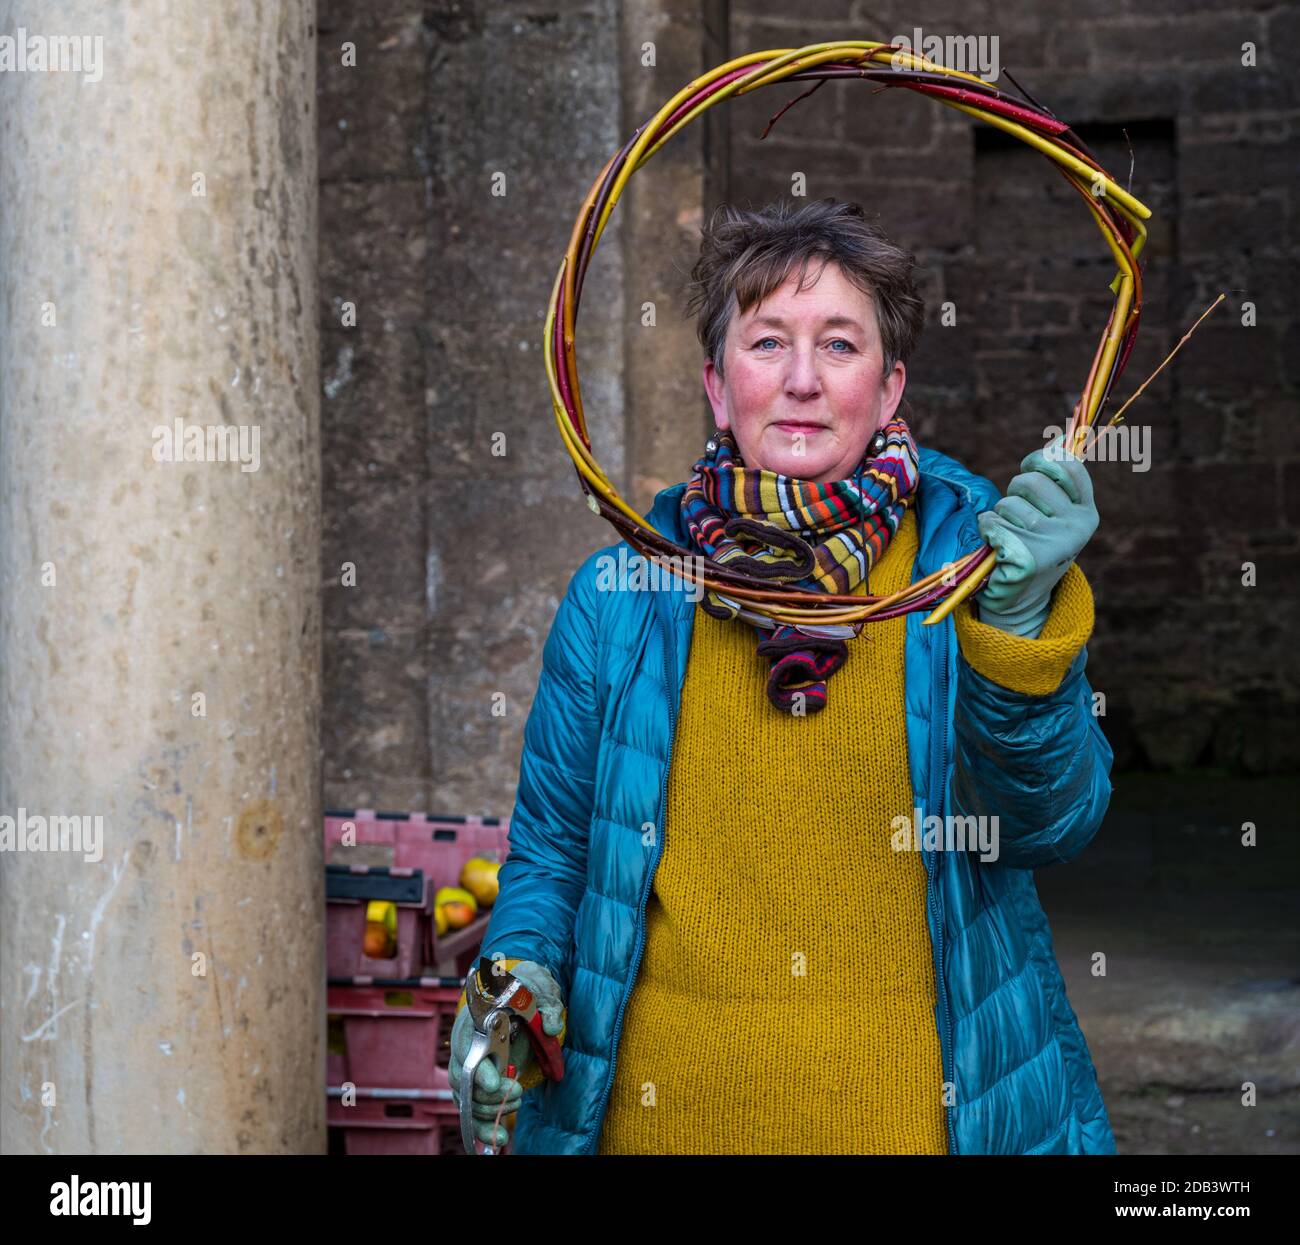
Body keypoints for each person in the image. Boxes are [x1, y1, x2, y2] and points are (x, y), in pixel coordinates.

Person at [450, 197, 1114, 1155]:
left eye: (840, 346)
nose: (802, 381)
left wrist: (1011, 631)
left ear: (890, 389)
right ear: (719, 386)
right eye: (767, 343)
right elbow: (555, 852)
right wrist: (519, 975)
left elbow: (1050, 823)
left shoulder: (973, 571)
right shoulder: (621, 594)